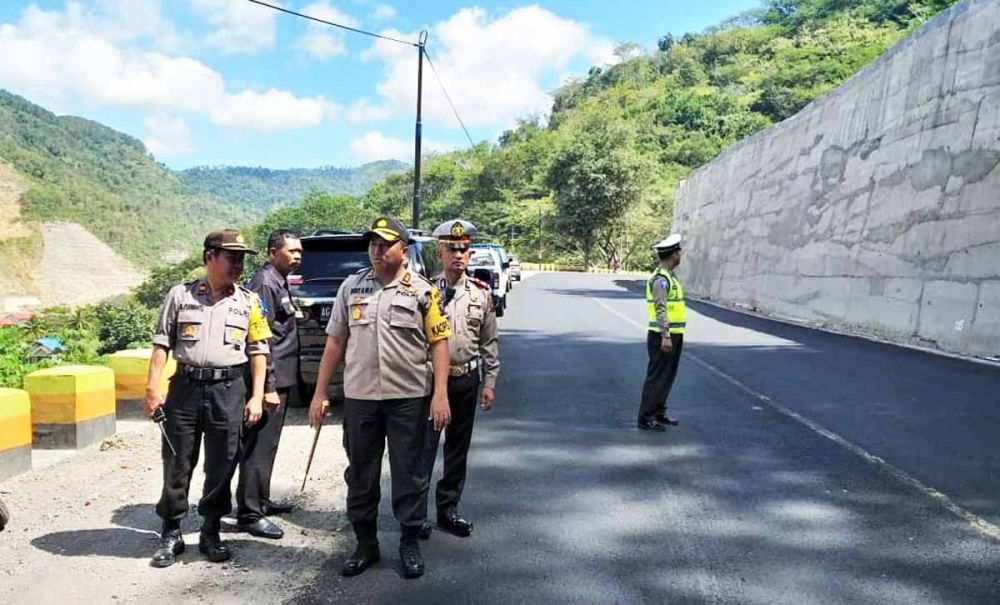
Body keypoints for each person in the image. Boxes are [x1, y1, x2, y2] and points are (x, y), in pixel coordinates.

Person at [308, 216, 452, 579]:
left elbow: (439, 343)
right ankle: (365, 544)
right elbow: (335, 341)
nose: (376, 250)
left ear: (403, 250)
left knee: (409, 473)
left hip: (409, 397)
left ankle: (409, 541)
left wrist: (440, 394)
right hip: (361, 398)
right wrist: (320, 392)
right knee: (360, 474)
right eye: (372, 243)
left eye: (385, 244)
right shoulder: (351, 287)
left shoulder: (422, 291)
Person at [144, 229, 272, 568]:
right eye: (232, 258)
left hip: (228, 390)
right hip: (185, 389)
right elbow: (161, 344)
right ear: (209, 257)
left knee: (223, 462)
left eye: (241, 259)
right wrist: (152, 388)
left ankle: (211, 530)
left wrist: (257, 396)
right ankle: (171, 532)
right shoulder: (180, 295)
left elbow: (259, 351)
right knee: (177, 461)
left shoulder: (249, 301)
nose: (238, 265)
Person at [419, 219, 499, 539]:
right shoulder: (425, 291)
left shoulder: (481, 294)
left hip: (466, 379)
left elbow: (489, 342)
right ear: (440, 253)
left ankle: (448, 509)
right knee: (423, 448)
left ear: (470, 254)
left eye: (464, 249)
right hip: (430, 381)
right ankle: (416, 514)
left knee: (457, 449)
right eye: (451, 249)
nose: (458, 255)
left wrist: (490, 382)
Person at [235, 229, 303, 539]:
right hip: (268, 382)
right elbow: (261, 340)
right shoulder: (264, 283)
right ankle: (250, 513)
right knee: (258, 446)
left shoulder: (279, 280)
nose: (297, 256)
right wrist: (268, 387)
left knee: (268, 445)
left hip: (281, 379)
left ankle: (260, 500)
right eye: (291, 251)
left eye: (299, 251)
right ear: (272, 253)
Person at [637, 233, 687, 432]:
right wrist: (666, 335)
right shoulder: (661, 280)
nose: (680, 255)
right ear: (673, 254)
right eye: (679, 252)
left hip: (674, 334)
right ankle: (646, 417)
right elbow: (660, 308)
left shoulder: (669, 277)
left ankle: (658, 413)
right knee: (657, 376)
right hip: (662, 335)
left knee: (667, 376)